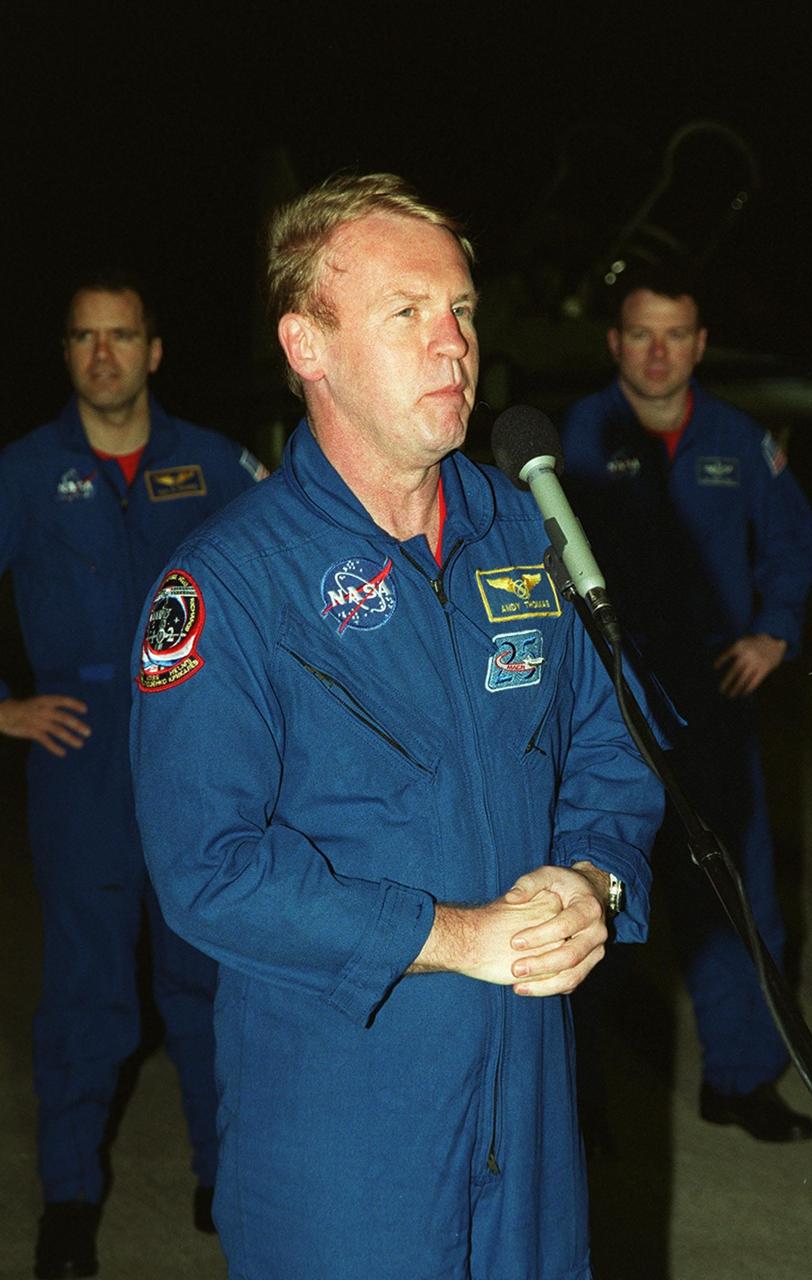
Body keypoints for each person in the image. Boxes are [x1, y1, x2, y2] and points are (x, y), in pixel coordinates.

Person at [130, 173, 665, 1280]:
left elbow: (618, 746)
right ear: (307, 345)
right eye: (407, 313)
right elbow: (208, 869)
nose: (453, 344)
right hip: (343, 1122)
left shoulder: (528, 529)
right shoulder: (228, 585)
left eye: (462, 309)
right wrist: (457, 935)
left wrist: (595, 879)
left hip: (529, 1104)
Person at [0, 274, 267, 1278]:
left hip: (197, 752)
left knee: (208, 974)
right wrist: (5, 707)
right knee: (86, 988)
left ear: (156, 350)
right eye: (83, 336)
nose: (103, 354)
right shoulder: (26, 472)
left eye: (122, 335)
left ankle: (222, 1170)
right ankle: (71, 1195)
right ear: (65, 352)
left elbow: (287, 583)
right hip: (81, 762)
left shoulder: (215, 464)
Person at [561, 271, 812, 1143]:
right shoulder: (578, 441)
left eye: (675, 335)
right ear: (615, 342)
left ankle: (740, 1079)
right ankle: (578, 1103)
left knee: (738, 905)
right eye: (640, 334)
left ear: (700, 344)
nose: (659, 352)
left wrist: (774, 631)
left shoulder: (738, 441)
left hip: (712, 712)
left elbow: (793, 540)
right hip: (609, 719)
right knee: (587, 902)